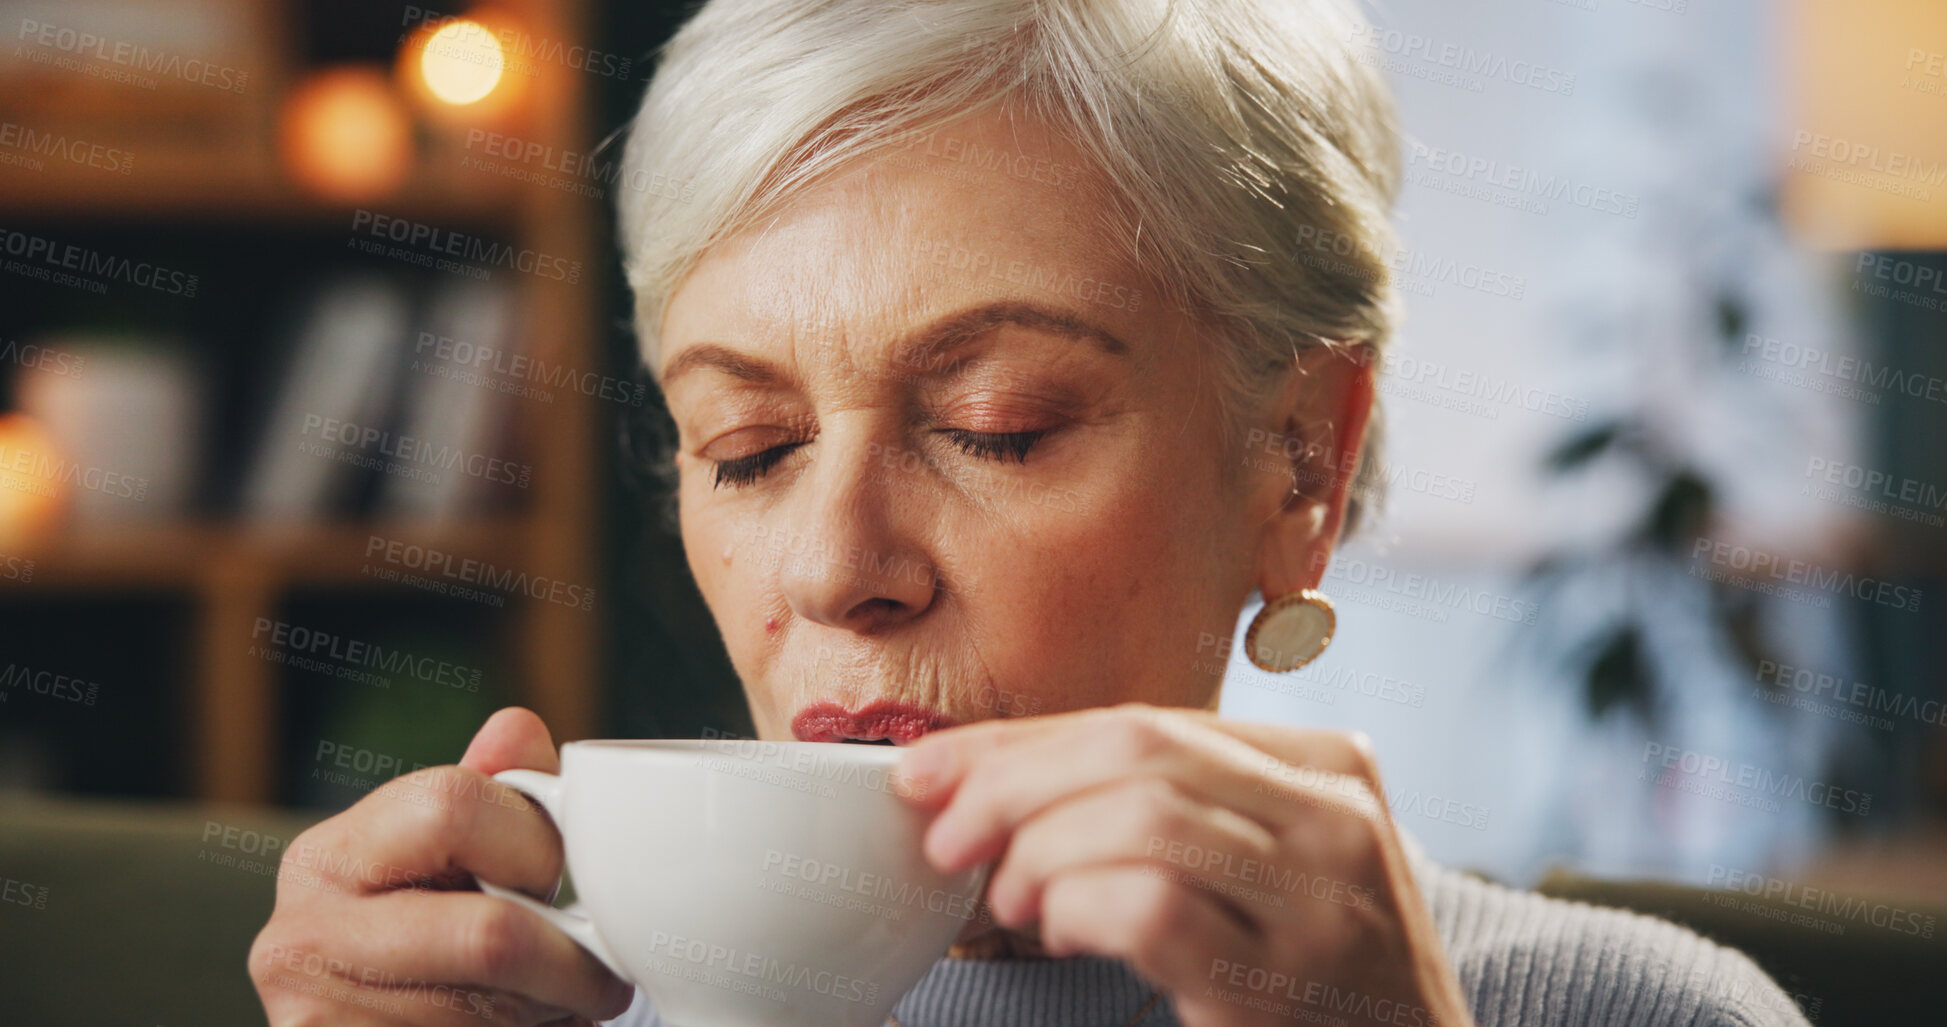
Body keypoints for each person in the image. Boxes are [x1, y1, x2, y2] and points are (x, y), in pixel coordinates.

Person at [250, 1, 1813, 1025]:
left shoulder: (1640, 1013)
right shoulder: (522, 1004)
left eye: (995, 427)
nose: (835, 568)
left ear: (1301, 467)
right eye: (747, 445)